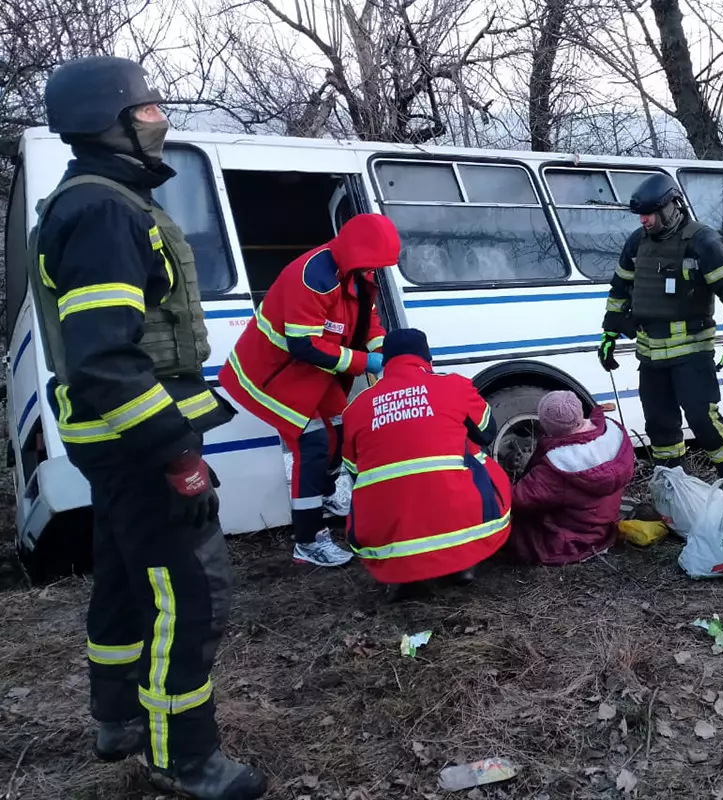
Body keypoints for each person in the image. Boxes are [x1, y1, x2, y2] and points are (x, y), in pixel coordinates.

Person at [31, 56, 265, 797]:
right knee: (188, 596)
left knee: (127, 582)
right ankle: (184, 757)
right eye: (149, 107)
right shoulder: (104, 211)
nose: (160, 118)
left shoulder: (91, 202)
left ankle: (119, 718)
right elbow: (105, 359)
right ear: (114, 120)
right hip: (140, 446)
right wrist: (174, 452)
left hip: (114, 446)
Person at [218, 213, 394, 567]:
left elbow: (366, 322)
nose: (376, 269)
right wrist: (366, 363)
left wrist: (381, 349)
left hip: (311, 374)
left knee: (340, 435)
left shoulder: (359, 274)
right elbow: (304, 345)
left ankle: (325, 494)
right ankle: (308, 540)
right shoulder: (313, 277)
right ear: (356, 253)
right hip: (272, 375)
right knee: (312, 445)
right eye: (373, 262)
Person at [598, 174, 723, 489]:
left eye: (650, 213)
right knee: (659, 426)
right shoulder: (636, 242)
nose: (645, 220)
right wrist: (609, 334)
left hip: (692, 353)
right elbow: (619, 290)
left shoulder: (702, 241)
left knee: (703, 421)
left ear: (670, 207)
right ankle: (673, 489)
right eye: (641, 215)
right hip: (650, 355)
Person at [340, 328, 512, 589]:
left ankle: (400, 578)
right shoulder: (453, 385)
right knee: (474, 454)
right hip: (465, 531)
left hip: (383, 544)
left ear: (385, 363)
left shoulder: (356, 408)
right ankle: (463, 564)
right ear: (427, 358)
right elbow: (487, 431)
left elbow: (354, 471)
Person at [507, 391, 636, 566]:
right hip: (606, 522)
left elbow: (515, 500)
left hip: (574, 539)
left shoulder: (557, 467)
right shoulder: (614, 432)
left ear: (548, 427)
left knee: (516, 532)